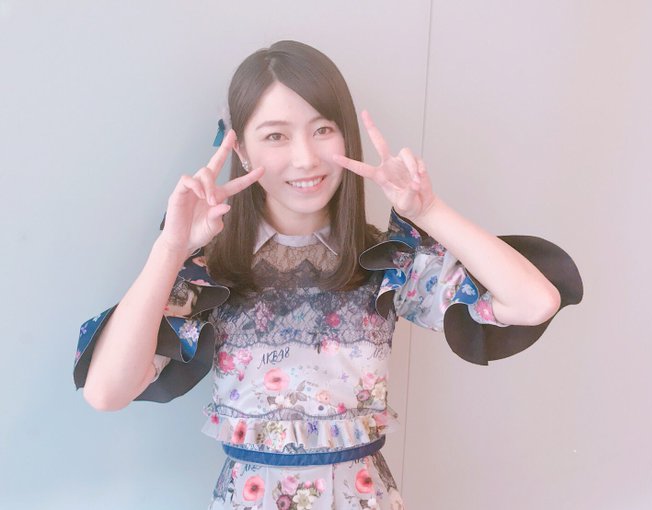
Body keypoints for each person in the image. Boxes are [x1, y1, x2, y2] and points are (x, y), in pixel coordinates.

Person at [73, 40, 582, 509]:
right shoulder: (210, 272)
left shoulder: (386, 262)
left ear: (346, 136)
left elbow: (534, 302)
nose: (305, 158)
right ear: (242, 150)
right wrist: (172, 249)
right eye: (276, 136)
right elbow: (106, 392)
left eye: (322, 130)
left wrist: (429, 212)